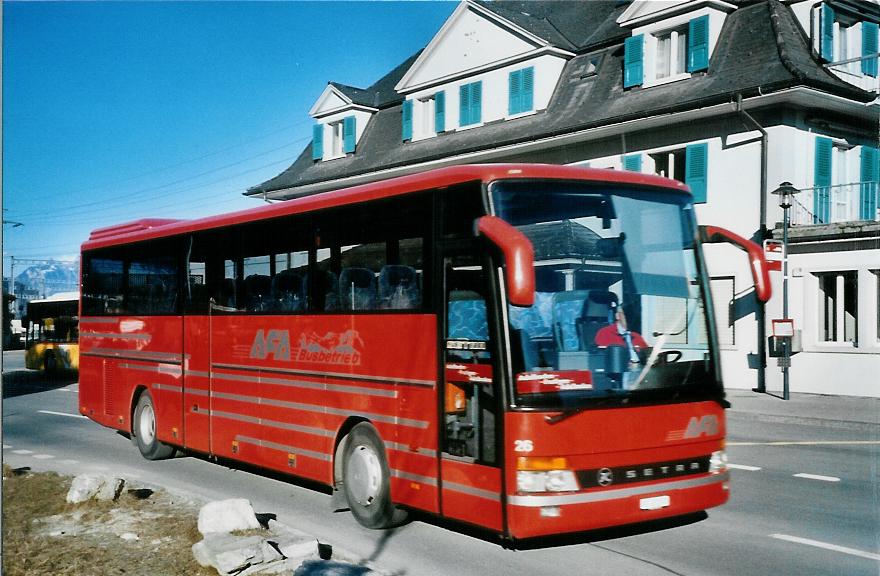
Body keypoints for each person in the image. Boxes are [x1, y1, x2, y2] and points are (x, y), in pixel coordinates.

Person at [594, 300, 648, 365]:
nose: (628, 317)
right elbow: (599, 360)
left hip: (637, 371)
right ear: (617, 316)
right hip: (616, 372)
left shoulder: (637, 337)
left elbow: (647, 359)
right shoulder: (604, 334)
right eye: (625, 314)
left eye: (630, 314)